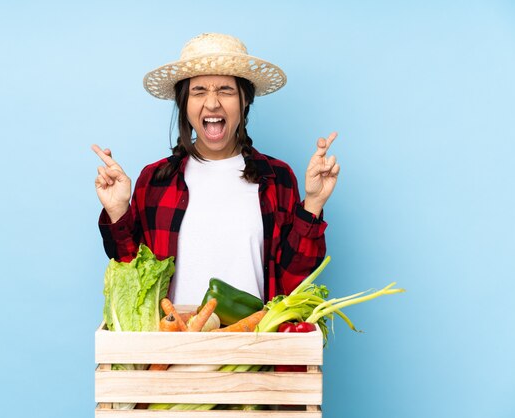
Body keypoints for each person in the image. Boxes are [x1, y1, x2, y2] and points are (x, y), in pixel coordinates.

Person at [92, 33, 339, 305]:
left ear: (245, 100)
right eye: (199, 91)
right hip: (174, 342)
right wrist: (118, 212)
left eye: (225, 90)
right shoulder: (155, 180)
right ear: (184, 103)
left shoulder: (277, 178)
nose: (212, 103)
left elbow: (294, 280)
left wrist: (313, 203)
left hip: (255, 342)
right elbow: (135, 280)